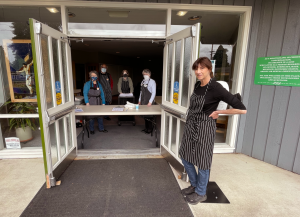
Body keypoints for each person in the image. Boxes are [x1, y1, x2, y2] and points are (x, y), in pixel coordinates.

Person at [179, 57, 247, 205]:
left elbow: (242, 109)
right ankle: (195, 185)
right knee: (185, 156)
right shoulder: (197, 85)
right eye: (196, 68)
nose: (198, 71)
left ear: (209, 69)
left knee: (203, 161)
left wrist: (220, 113)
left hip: (205, 127)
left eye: (202, 68)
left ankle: (201, 192)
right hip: (191, 125)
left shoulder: (216, 87)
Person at [138, 69, 156, 134]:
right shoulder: (142, 81)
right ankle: (146, 128)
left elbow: (153, 93)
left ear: (149, 75)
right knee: (145, 116)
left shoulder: (152, 82)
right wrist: (139, 100)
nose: (144, 75)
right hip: (143, 101)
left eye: (146, 74)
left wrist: (150, 102)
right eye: (143, 74)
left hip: (149, 101)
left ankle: (150, 129)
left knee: (149, 116)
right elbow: (141, 92)